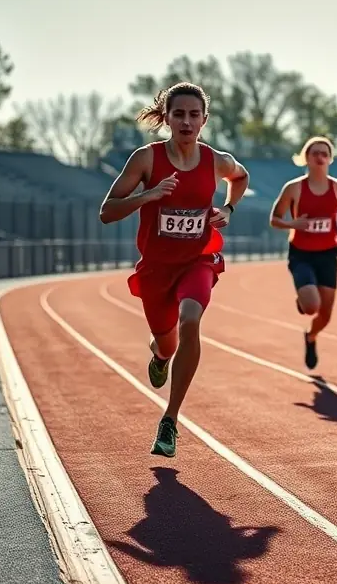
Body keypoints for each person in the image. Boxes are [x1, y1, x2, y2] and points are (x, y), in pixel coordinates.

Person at [99, 82, 249, 458]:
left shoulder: (216, 160)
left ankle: (170, 419)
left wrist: (228, 209)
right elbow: (107, 211)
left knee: (191, 319)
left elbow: (240, 177)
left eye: (193, 115)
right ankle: (161, 355)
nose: (186, 121)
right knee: (167, 341)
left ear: (204, 120)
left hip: (197, 260)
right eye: (178, 114)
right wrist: (148, 195)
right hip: (157, 269)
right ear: (166, 118)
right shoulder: (146, 159)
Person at [269, 136, 337, 370]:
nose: (319, 157)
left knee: (325, 316)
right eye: (314, 153)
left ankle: (311, 337)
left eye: (324, 153)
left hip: (328, 255)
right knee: (311, 306)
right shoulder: (294, 188)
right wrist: (293, 224)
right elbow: (274, 219)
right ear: (305, 158)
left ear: (330, 159)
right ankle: (304, 300)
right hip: (301, 254)